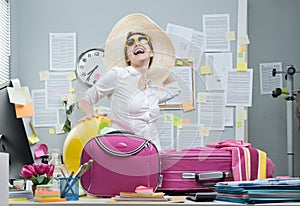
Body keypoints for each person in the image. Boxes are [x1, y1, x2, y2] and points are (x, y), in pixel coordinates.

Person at [77, 13, 181, 150]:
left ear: (151, 52)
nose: (137, 43)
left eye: (143, 40)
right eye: (131, 43)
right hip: (127, 152)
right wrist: (90, 114)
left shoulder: (151, 91)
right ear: (127, 57)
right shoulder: (118, 75)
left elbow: (175, 89)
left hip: (154, 151)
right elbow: (85, 99)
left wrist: (163, 63)